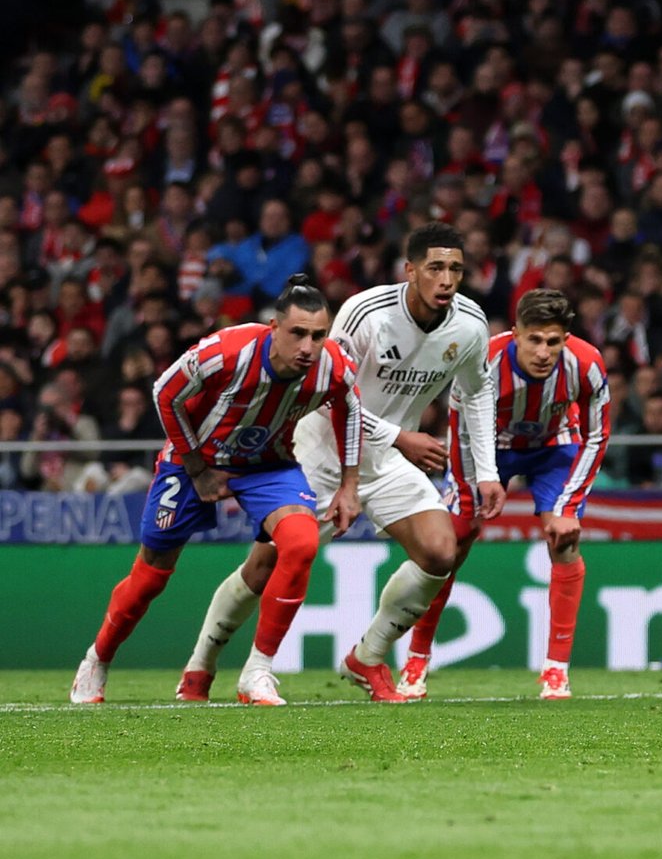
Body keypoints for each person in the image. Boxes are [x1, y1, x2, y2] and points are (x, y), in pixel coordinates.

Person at [177, 224, 507, 704]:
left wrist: (488, 473)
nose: (447, 279)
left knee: (441, 550)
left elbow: (477, 395)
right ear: (410, 270)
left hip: (388, 460)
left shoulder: (470, 325)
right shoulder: (365, 312)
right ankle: (201, 665)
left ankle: (367, 657)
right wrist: (400, 436)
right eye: (435, 267)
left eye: (455, 268)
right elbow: (333, 394)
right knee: (264, 568)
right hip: (321, 452)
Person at [70, 277, 362, 704]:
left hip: (268, 463)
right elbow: (164, 393)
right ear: (273, 327)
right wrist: (196, 468)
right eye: (298, 333)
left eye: (318, 335)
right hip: (195, 460)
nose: (308, 346)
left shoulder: (333, 366)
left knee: (300, 544)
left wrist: (349, 486)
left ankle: (257, 672)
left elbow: (350, 409)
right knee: (150, 578)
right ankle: (98, 658)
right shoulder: (227, 350)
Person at [399, 289, 610, 700]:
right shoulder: (484, 363)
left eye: (553, 341)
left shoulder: (587, 365)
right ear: (516, 334)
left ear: (566, 339)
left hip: (554, 447)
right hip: (487, 447)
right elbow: (460, 427)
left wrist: (567, 507)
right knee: (453, 542)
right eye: (534, 339)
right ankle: (417, 659)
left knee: (563, 537)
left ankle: (555, 672)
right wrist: (470, 488)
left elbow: (598, 434)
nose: (544, 351)